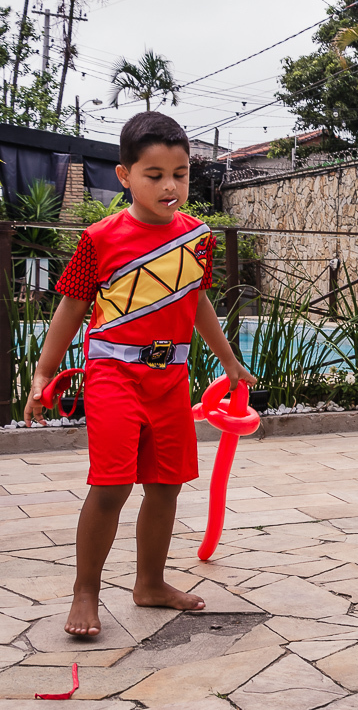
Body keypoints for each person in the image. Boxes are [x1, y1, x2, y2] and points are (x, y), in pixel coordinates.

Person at [24, 112, 256, 637]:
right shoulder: (99, 238)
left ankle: (150, 583)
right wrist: (43, 372)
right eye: (155, 175)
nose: (170, 186)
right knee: (111, 486)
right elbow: (70, 309)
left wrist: (227, 359)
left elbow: (195, 302)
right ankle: (86, 592)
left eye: (180, 173)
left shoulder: (198, 237)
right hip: (113, 375)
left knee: (166, 485)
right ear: (125, 175)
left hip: (171, 378)